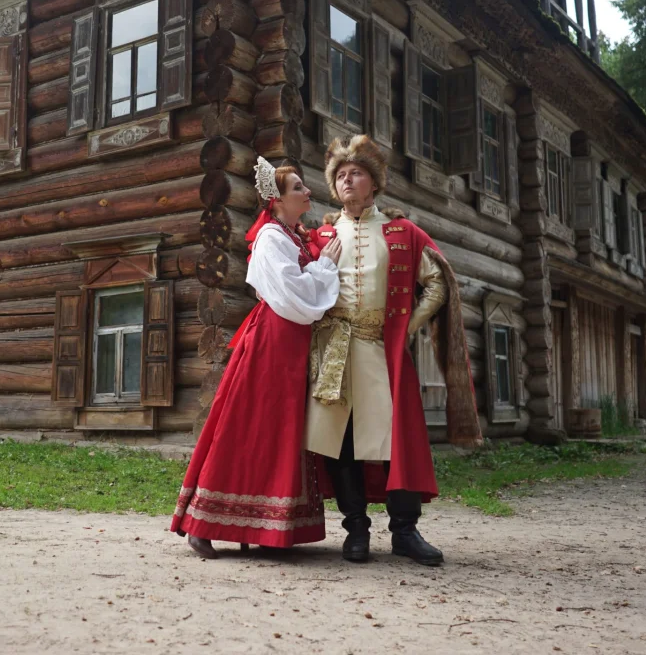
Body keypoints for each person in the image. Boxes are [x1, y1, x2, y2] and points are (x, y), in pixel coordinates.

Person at [307, 135, 481, 567]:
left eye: (357, 173)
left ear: (374, 182)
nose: (349, 180)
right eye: (341, 175)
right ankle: (356, 531)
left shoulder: (402, 232)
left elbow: (438, 283)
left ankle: (404, 531)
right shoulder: (319, 235)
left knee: (395, 441)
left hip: (383, 354)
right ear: (334, 187)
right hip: (335, 353)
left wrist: (406, 326)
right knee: (343, 442)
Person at [172, 158, 342, 557]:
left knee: (282, 430)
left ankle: (268, 527)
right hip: (272, 342)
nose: (308, 192)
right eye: (298, 187)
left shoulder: (291, 235)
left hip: (291, 343)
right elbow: (292, 293)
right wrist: (325, 265)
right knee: (248, 426)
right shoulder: (271, 237)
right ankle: (205, 522)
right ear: (278, 199)